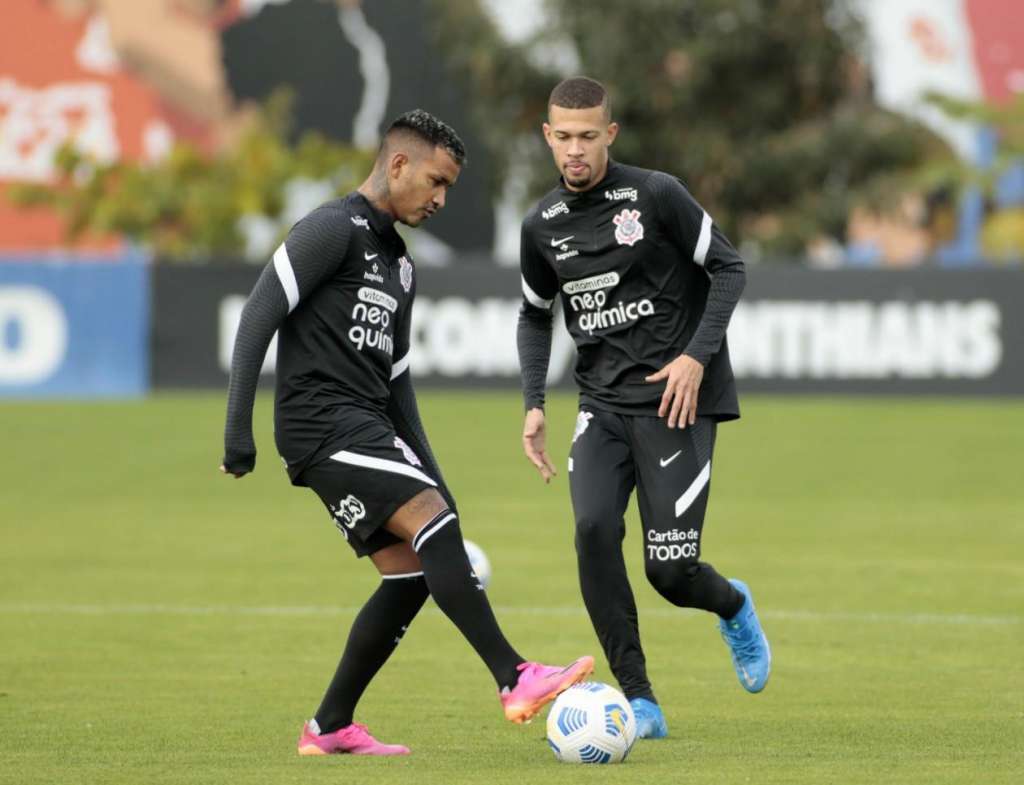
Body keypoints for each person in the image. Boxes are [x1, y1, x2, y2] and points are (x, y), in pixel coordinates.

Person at [221, 109, 593, 756]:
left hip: (364, 422)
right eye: (435, 180)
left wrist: (440, 489)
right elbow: (259, 313)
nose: (441, 198)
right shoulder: (329, 229)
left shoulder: (399, 264)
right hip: (320, 422)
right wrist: (237, 432)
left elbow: (397, 385)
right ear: (397, 164)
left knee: (411, 575)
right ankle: (516, 676)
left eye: (448, 186)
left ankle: (329, 725)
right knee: (428, 531)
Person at [516, 77, 770, 740]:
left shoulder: (655, 194)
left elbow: (729, 267)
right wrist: (534, 402)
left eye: (587, 136)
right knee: (593, 530)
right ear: (548, 136)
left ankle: (733, 604)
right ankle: (640, 698)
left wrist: (694, 356)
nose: (575, 150)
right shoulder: (540, 226)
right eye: (563, 137)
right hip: (600, 405)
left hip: (676, 405)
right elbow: (534, 314)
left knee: (670, 571)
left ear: (610, 134)